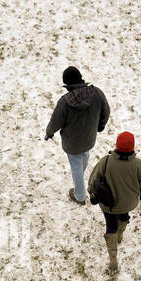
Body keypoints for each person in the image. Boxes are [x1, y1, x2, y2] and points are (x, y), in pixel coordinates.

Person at [87, 131, 141, 275]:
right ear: (132, 147)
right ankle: (120, 234)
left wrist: (92, 193)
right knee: (123, 216)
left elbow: (93, 181)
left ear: (117, 145)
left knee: (111, 227)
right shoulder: (138, 164)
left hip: (109, 205)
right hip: (128, 203)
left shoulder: (106, 161)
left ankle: (113, 260)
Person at [45, 66, 110, 205]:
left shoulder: (64, 102)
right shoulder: (97, 93)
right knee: (84, 156)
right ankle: (79, 176)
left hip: (72, 143)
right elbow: (106, 110)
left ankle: (79, 196)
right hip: (89, 138)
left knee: (76, 166)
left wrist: (49, 133)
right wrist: (101, 125)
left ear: (68, 85)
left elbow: (55, 121)